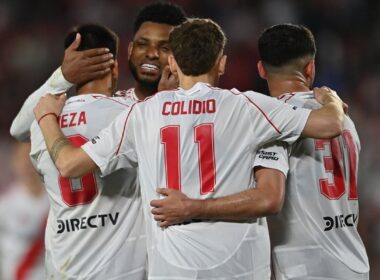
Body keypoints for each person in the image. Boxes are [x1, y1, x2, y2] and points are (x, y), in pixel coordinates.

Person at [33, 18, 345, 279]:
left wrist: (47, 116)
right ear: (222, 63)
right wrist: (330, 99)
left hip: (172, 265)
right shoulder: (248, 106)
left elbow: (69, 164)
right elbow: (330, 125)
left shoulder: (143, 113)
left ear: (172, 61)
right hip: (239, 264)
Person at [29, 24, 146, 279]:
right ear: (114, 68)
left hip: (62, 269)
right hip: (120, 272)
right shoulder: (132, 115)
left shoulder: (41, 125)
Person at [254, 23, 369, 280]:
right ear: (310, 68)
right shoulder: (344, 117)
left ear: (261, 70)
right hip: (354, 262)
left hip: (304, 267)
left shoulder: (271, 122)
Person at [10, 1, 186, 142]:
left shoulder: (203, 107)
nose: (152, 54)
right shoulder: (113, 108)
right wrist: (63, 78)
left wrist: (165, 105)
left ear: (180, 55)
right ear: (130, 50)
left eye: (165, 47)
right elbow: (19, 130)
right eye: (142, 44)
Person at [0, 141, 49, 280]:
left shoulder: (57, 202)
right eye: (21, 158)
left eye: (32, 157)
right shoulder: (4, 204)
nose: (27, 164)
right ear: (13, 162)